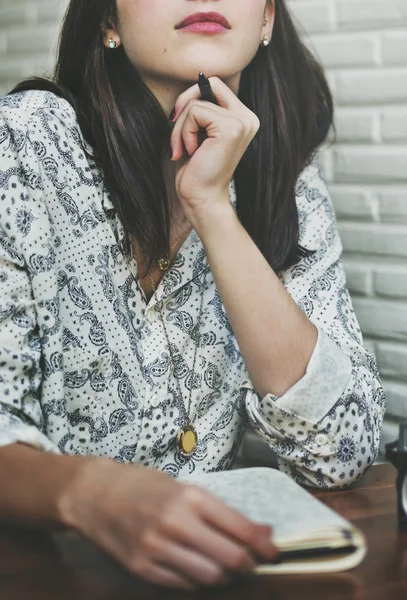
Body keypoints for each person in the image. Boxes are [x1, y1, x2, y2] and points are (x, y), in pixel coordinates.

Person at [0, 0, 386, 590]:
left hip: (212, 575)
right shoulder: (26, 143)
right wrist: (89, 494)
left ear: (266, 21)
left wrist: (212, 208)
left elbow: (340, 452)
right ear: (107, 21)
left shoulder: (287, 183)